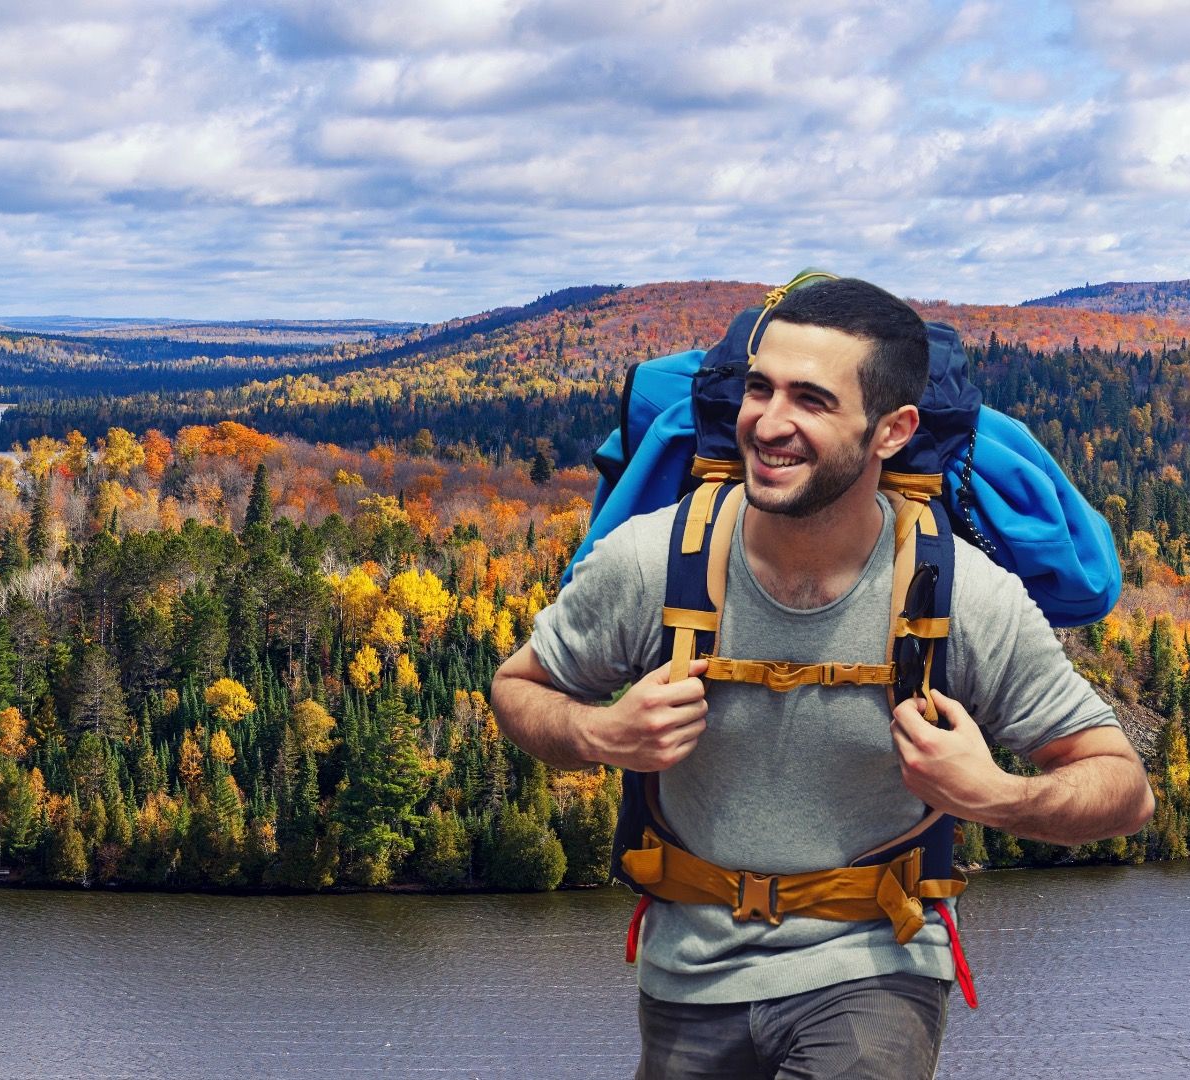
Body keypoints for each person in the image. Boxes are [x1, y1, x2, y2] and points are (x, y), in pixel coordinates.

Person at [489, 277, 1154, 1079]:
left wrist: (995, 795)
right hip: (688, 969)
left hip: (879, 961)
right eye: (759, 389)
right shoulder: (652, 563)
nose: (769, 423)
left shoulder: (960, 594)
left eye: (811, 400)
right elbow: (517, 689)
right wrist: (600, 733)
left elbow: (1124, 789)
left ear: (892, 431)